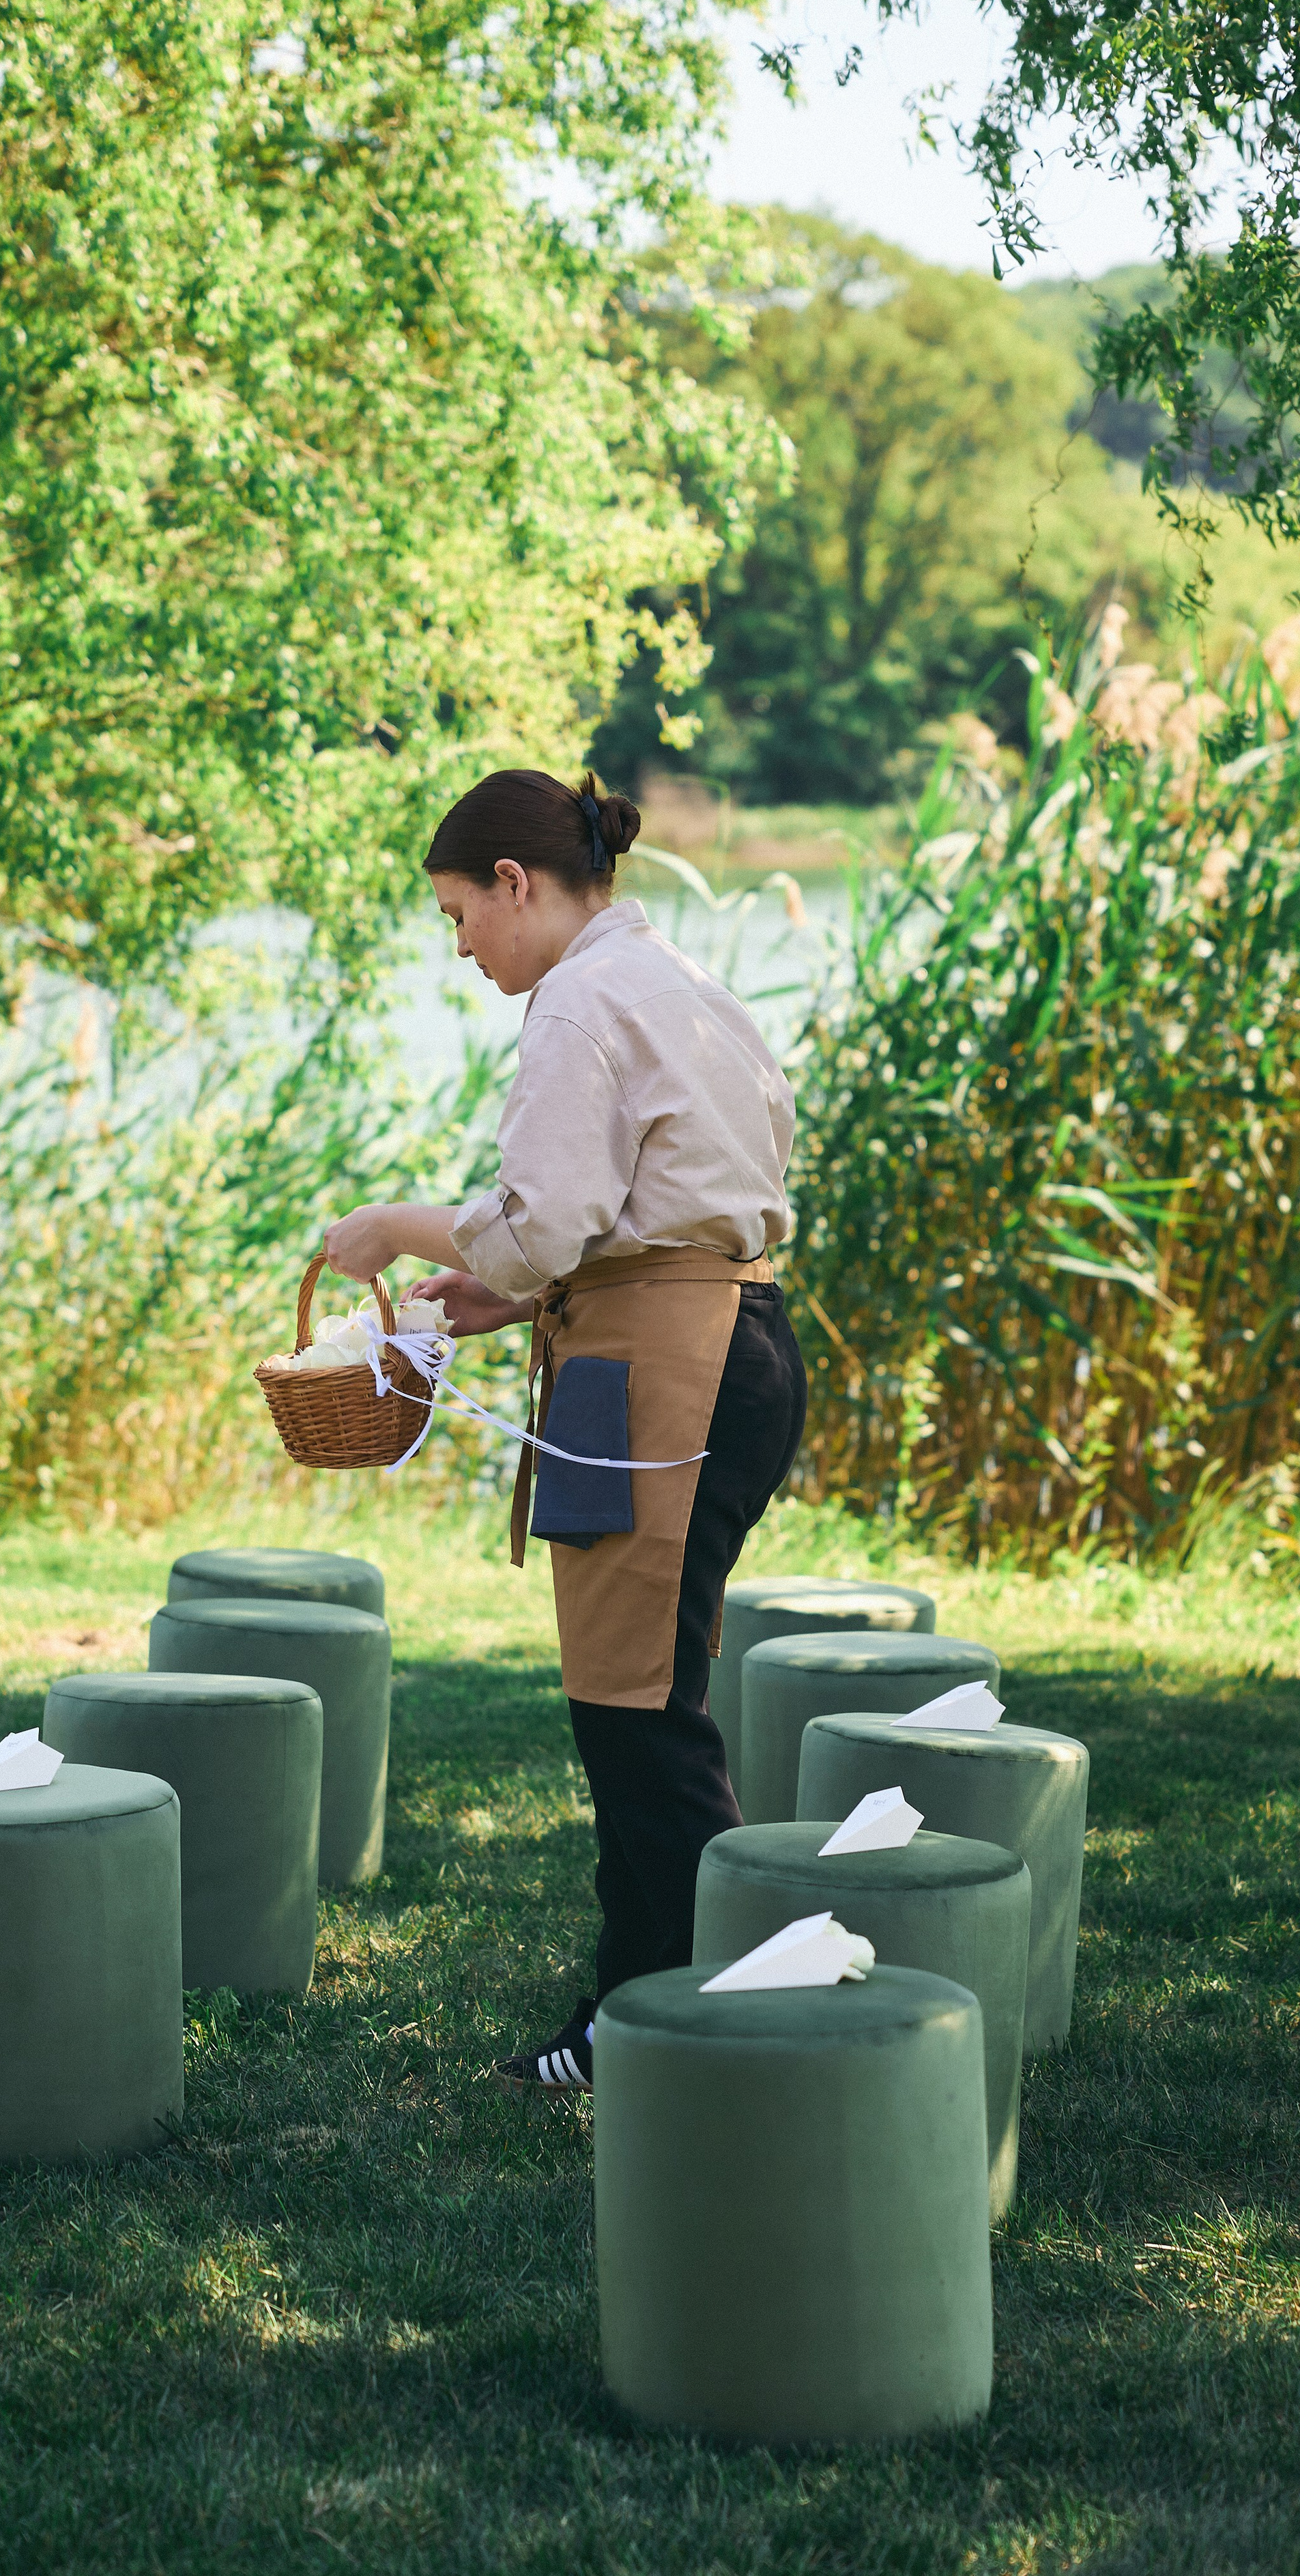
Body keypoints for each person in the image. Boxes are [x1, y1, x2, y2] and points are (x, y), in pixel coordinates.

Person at [323, 767, 807, 2092]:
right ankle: (645, 1996)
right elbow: (635, 1211)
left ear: (514, 883)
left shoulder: (577, 1001)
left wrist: (395, 1229)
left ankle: (682, 2013)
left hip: (667, 1365)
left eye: (455, 912)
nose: (458, 941)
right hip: (717, 1344)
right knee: (638, 1697)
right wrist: (503, 1294)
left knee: (635, 1710)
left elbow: (541, 1216)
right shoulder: (675, 980)